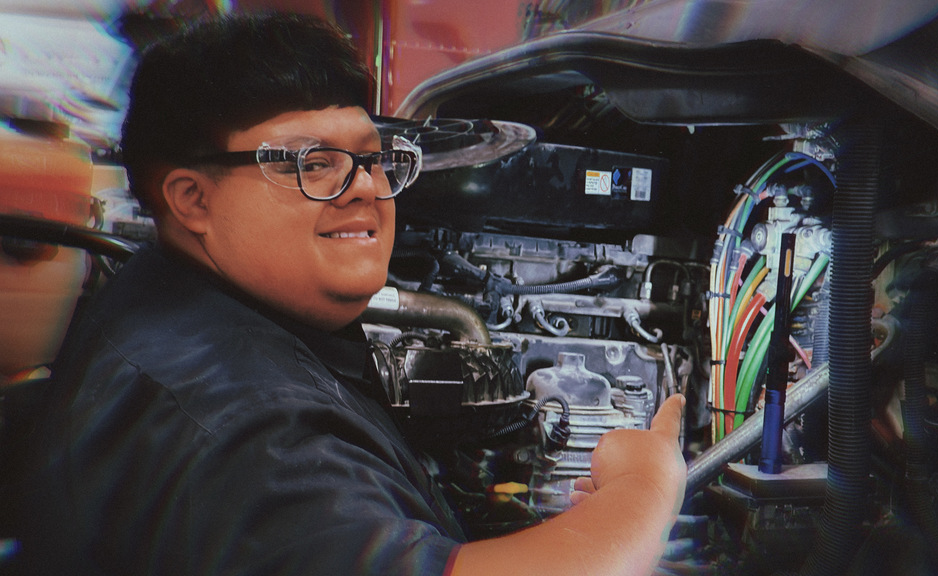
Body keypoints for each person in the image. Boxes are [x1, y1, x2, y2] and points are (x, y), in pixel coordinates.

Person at [6, 12, 686, 576]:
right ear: (191, 199)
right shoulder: (241, 429)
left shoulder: (174, 308)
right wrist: (644, 488)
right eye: (313, 163)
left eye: (372, 158)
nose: (364, 186)